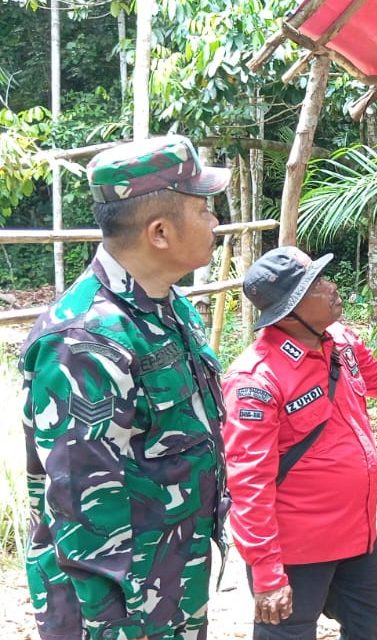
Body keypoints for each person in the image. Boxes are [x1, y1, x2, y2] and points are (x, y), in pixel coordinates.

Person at [20, 135, 230, 640]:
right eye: (204, 210)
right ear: (159, 232)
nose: (215, 222)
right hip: (120, 610)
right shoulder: (85, 339)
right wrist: (115, 626)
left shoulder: (170, 307)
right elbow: (81, 508)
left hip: (175, 576)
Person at [221, 247, 377, 640]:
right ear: (291, 308)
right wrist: (266, 573)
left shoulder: (341, 343)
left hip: (354, 534)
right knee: (289, 632)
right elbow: (248, 487)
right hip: (295, 547)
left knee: (374, 616)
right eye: (317, 284)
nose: (332, 287)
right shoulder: (254, 381)